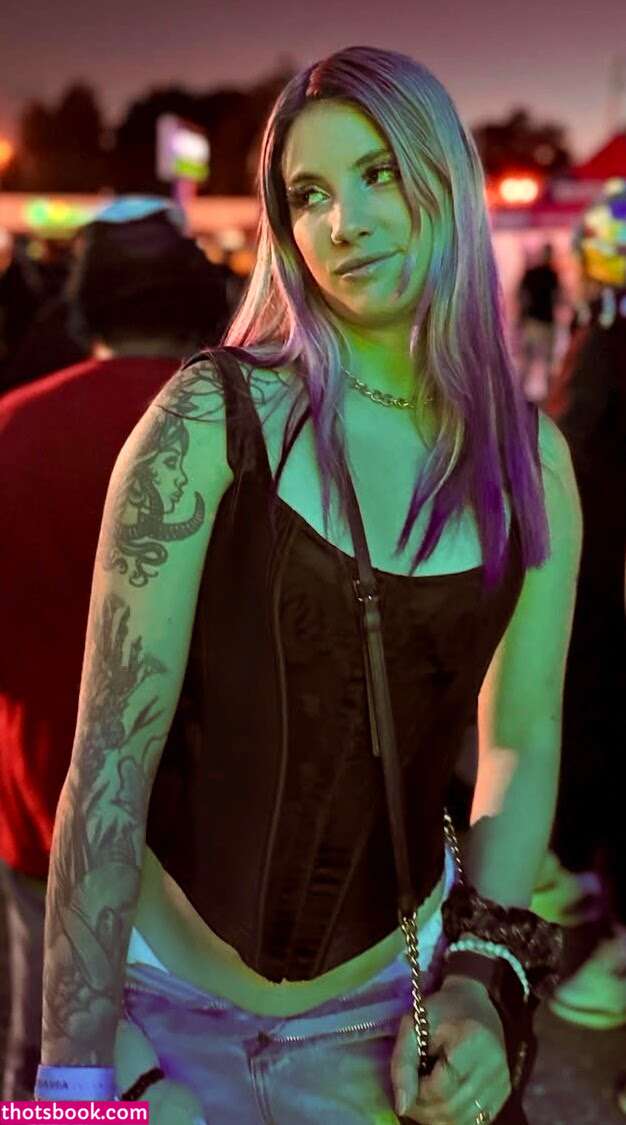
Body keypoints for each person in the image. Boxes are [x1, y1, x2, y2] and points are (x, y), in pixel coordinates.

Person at [35, 48, 580, 1125]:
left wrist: (480, 981)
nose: (345, 223)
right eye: (309, 194)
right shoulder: (210, 417)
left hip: (387, 1029)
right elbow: (107, 763)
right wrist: (75, 1088)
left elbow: (519, 739)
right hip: (158, 1024)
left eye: (378, 174)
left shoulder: (531, 461)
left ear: (444, 177)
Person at [0, 194, 230, 1104]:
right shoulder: (250, 429)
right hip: (218, 828)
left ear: (83, 302)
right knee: (212, 1072)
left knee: (55, 1051)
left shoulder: (14, 429)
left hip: (46, 807)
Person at [542, 180, 626, 1035]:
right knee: (591, 714)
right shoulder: (603, 334)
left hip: (605, 581)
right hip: (597, 584)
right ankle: (581, 866)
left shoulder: (609, 341)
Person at [517, 243, 563, 401]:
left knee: (527, 359)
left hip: (531, 322)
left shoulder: (531, 273)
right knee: (548, 360)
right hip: (547, 322)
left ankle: (520, 394)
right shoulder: (553, 275)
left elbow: (521, 296)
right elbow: (558, 297)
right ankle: (549, 396)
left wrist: (521, 318)